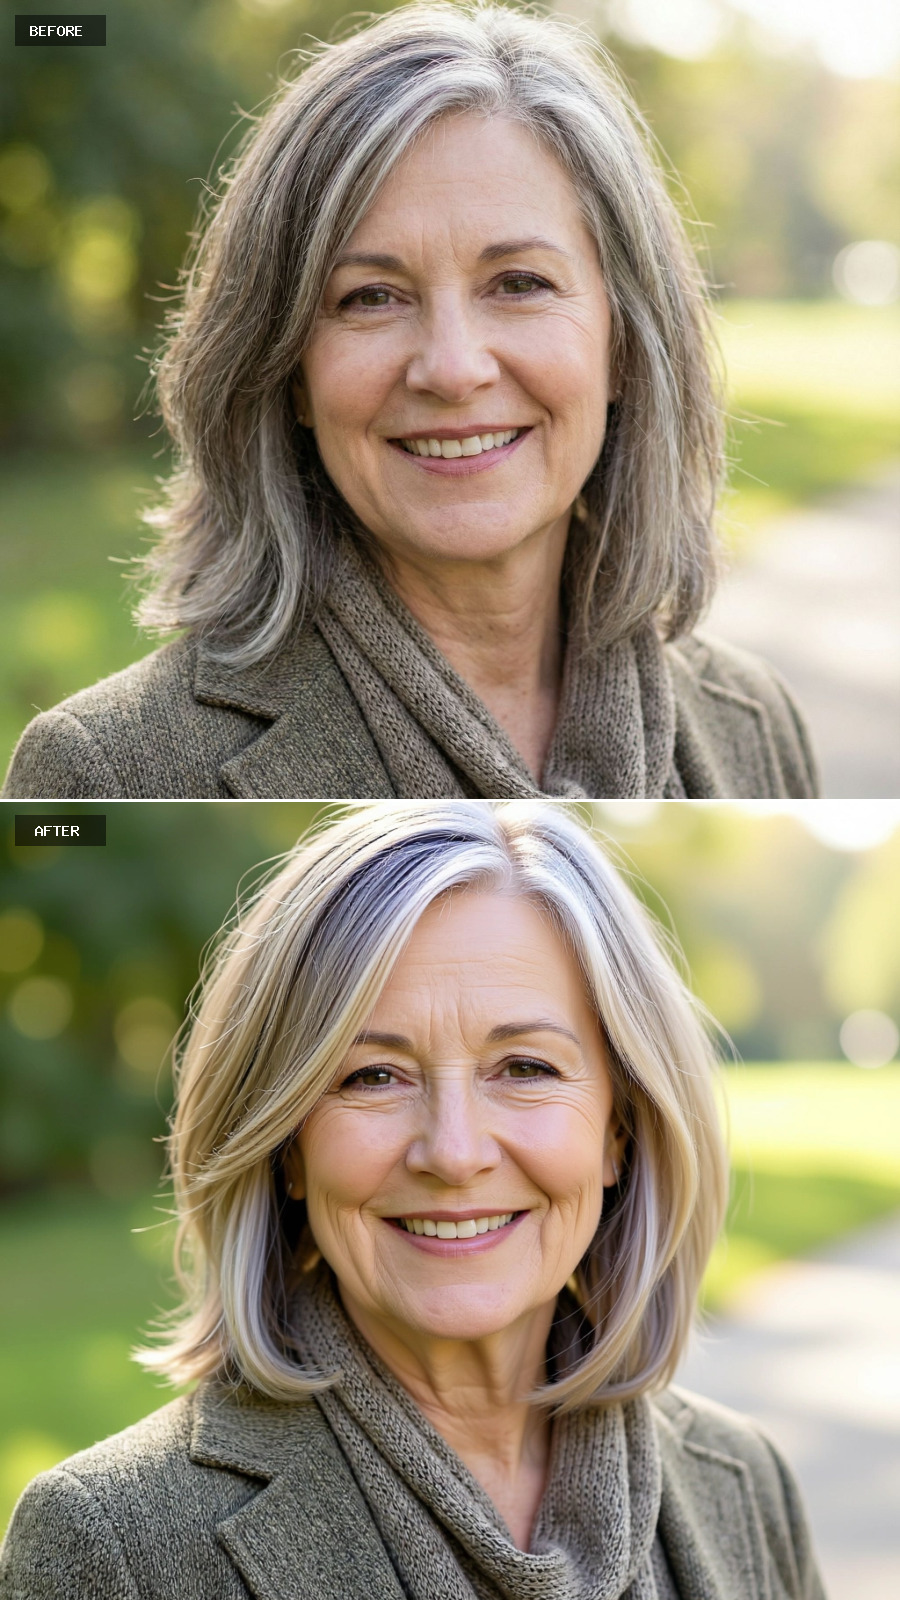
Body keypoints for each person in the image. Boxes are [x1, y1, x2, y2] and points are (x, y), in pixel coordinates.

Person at [0, 800, 826, 1598]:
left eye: (526, 1068)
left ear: (620, 1128)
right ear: (287, 1146)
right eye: (374, 1077)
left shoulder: (744, 1486)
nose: (455, 1153)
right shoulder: (111, 1545)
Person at [3, 4, 818, 801]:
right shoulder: (104, 771)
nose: (453, 368)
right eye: (371, 297)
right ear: (288, 372)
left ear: (627, 347)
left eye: (520, 283)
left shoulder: (754, 722)